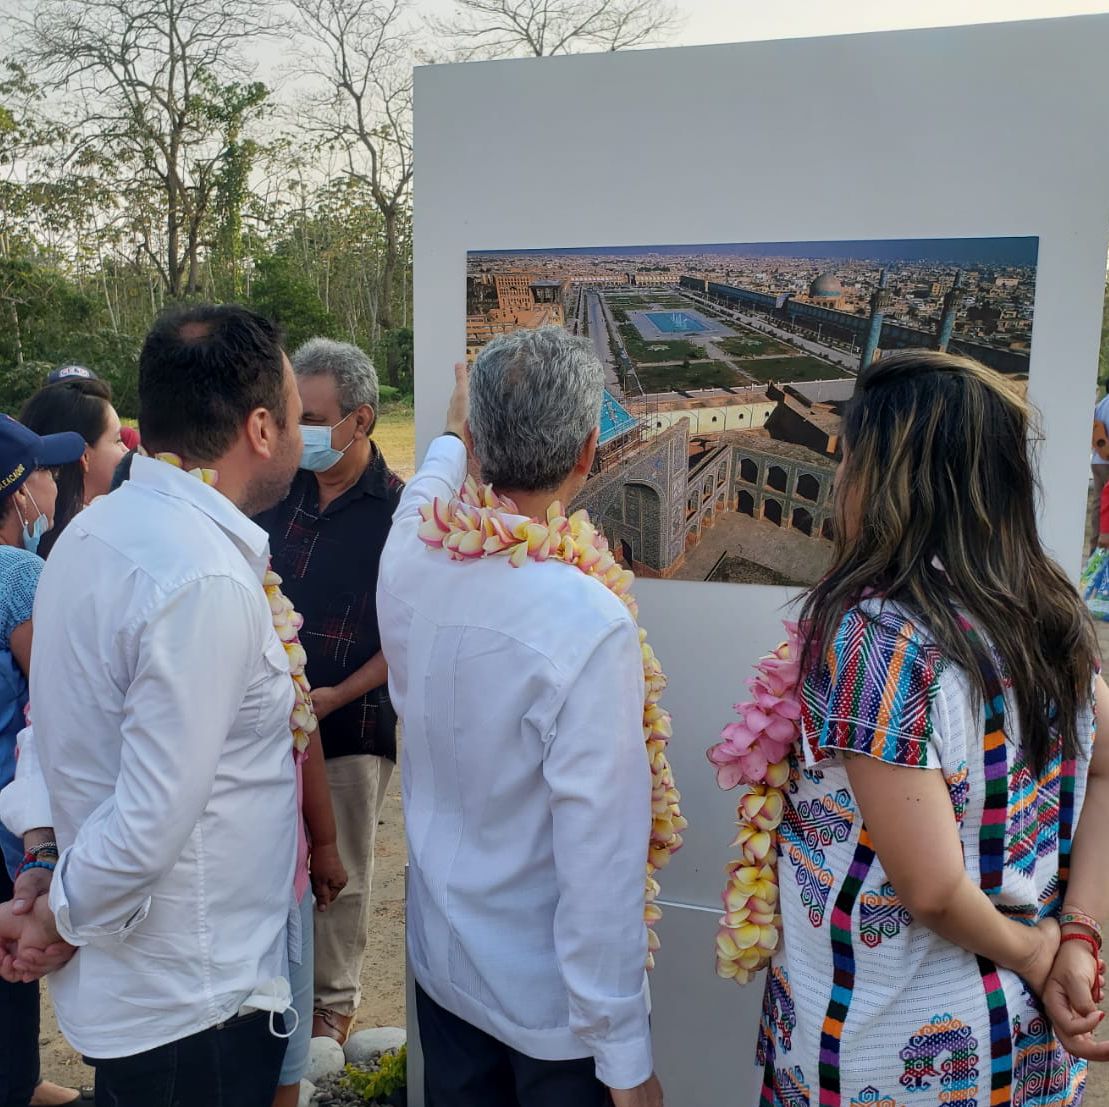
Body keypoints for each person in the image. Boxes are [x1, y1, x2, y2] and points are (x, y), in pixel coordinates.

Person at [760, 350, 1109, 1105]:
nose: (840, 478)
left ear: (888, 478)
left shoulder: (878, 638)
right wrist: (1079, 932)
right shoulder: (1042, 611)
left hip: (889, 1046)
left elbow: (932, 889)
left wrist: (1039, 952)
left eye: (850, 458)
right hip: (1024, 1047)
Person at [0, 304, 307, 1107]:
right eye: (297, 416)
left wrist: (42, 861)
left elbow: (50, 732)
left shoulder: (92, 534)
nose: (302, 436)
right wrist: (56, 914)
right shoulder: (200, 576)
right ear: (261, 428)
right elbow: (148, 820)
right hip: (192, 1004)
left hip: (156, 991)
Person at [377, 329, 663, 1107]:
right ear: (587, 451)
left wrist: (450, 435)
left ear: (476, 443)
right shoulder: (587, 620)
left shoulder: (410, 559)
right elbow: (599, 851)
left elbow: (423, 493)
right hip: (549, 1010)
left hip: (444, 967)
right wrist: (624, 1057)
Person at [256, 337, 402, 1046]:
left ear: (360, 419)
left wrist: (339, 693)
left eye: (312, 419)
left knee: (338, 869)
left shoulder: (399, 512)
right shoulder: (279, 492)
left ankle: (332, 1008)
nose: (299, 432)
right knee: (273, 860)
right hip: (268, 723)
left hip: (351, 724)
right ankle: (275, 994)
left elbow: (408, 634)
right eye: (294, 416)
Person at [0, 415, 87, 1107]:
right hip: (13, 828)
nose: (55, 485)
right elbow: (53, 707)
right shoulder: (21, 576)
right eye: (46, 473)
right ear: (18, 494)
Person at [19, 378, 128, 558]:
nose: (126, 450)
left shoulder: (25, 532)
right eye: (118, 440)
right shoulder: (101, 543)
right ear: (84, 456)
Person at [1090, 383, 1109, 553]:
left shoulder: (1101, 404)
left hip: (1096, 460)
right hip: (1107, 461)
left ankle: (1094, 545)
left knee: (1098, 503)